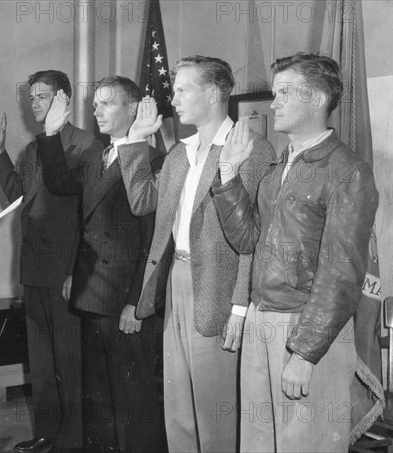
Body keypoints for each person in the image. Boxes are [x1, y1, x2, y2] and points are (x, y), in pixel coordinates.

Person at [212, 53, 379, 452]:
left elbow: (341, 274)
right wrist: (229, 175)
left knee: (306, 444)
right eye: (275, 93)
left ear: (318, 99)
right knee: (258, 444)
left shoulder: (347, 170)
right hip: (261, 321)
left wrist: (305, 354)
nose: (274, 103)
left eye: (285, 93)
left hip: (307, 330)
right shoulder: (279, 166)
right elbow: (248, 240)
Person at [116, 56, 276, 452]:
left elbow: (254, 237)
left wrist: (240, 305)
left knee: (215, 410)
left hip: (219, 291)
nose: (174, 99)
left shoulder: (251, 148)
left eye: (183, 89)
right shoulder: (178, 153)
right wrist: (135, 140)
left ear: (215, 93)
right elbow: (141, 201)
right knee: (179, 408)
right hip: (176, 282)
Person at [36, 76, 165, 453]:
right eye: (95, 103)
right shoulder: (98, 155)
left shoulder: (153, 162)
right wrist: (50, 133)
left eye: (107, 103)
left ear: (135, 109)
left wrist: (137, 303)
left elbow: (154, 242)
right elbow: (60, 183)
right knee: (99, 399)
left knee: (132, 401)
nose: (96, 110)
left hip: (126, 301)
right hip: (93, 296)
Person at [0, 70, 101, 453]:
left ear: (64, 99)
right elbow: (20, 196)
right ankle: (47, 433)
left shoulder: (87, 146)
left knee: (70, 361)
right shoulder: (34, 149)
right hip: (35, 270)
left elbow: (90, 216)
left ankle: (71, 441)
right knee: (41, 359)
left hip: (66, 271)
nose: (33, 104)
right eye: (31, 97)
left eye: (42, 97)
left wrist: (75, 270)